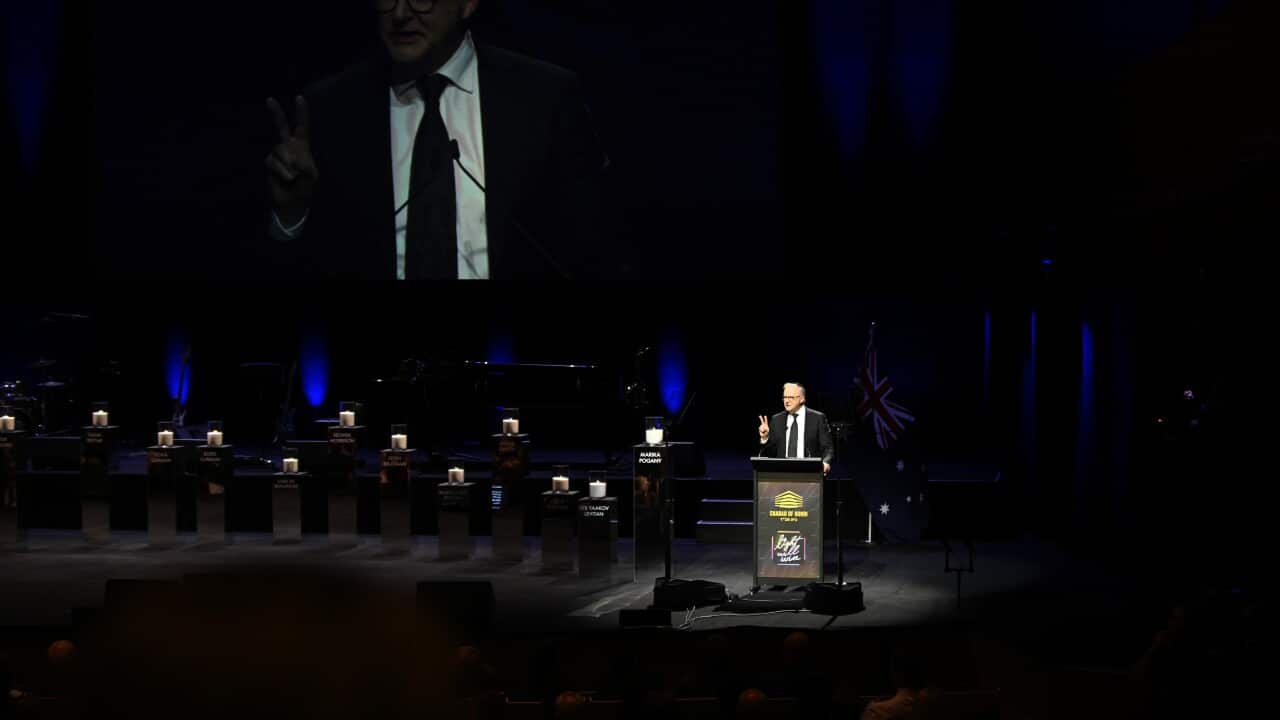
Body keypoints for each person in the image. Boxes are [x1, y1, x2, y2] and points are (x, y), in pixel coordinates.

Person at [264, 0, 610, 282]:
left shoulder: (545, 96)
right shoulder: (331, 107)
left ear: (468, 4)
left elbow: (594, 246)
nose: (400, 14)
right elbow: (300, 271)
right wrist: (292, 214)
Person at [757, 383, 834, 475]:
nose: (786, 401)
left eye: (791, 397)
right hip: (781, 473)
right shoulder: (776, 419)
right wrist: (765, 438)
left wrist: (825, 463)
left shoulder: (817, 418)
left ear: (802, 399)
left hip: (809, 474)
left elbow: (827, 448)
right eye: (785, 397)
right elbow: (770, 453)